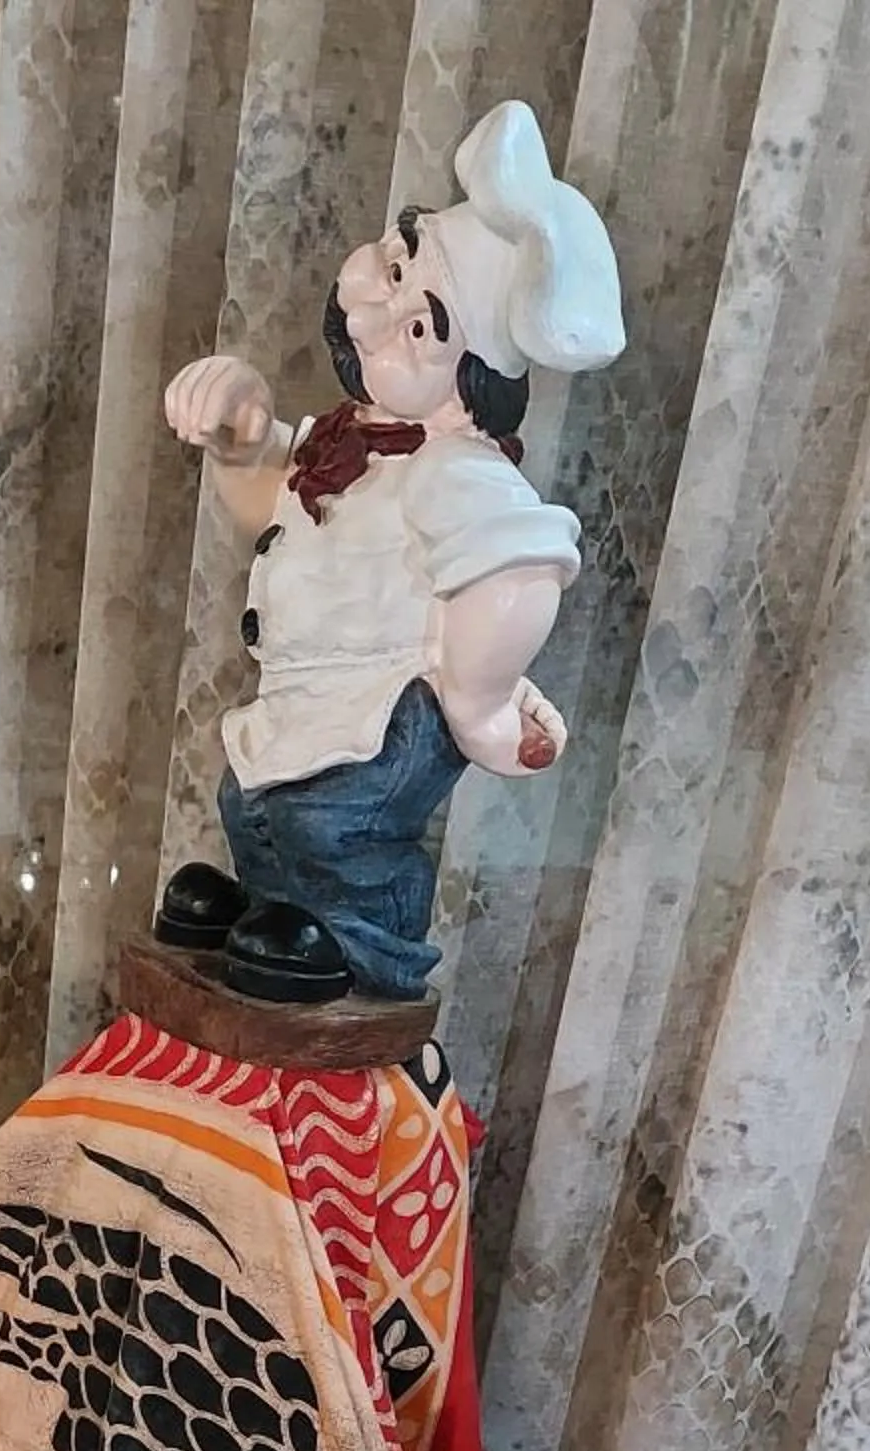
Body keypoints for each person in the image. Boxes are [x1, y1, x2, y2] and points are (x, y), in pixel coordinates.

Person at [158, 104, 624, 1004]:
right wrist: (242, 435)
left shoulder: (456, 471)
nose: (377, 319)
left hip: (387, 703)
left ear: (471, 374)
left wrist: (482, 703)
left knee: (336, 824)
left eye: (421, 328)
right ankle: (270, 912)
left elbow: (522, 571)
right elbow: (272, 499)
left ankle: (363, 944)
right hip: (305, 691)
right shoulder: (356, 441)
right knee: (252, 806)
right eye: (400, 270)